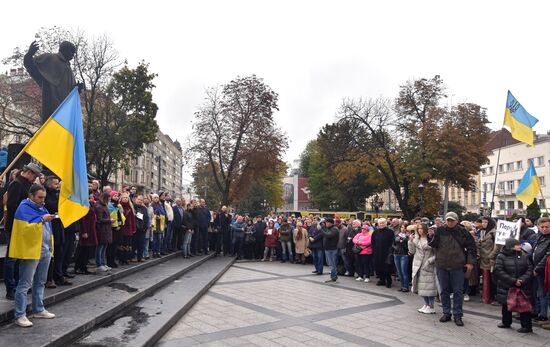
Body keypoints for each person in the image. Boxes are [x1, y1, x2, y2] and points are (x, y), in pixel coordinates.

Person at [10, 184, 56, 327]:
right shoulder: (23, 208)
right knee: (25, 284)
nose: (43, 200)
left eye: (44, 197)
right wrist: (42, 220)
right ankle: (20, 315)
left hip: (45, 249)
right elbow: (23, 230)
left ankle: (38, 309)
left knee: (40, 282)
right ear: (31, 195)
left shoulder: (43, 208)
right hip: (31, 251)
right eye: (39, 197)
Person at [428, 212, 477, 327]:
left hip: (458, 266)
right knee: (444, 291)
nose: (450, 222)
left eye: (452, 220)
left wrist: (470, 263)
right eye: (448, 220)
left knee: (458, 291)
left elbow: (472, 248)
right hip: (442, 265)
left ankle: (458, 315)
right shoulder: (439, 230)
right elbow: (433, 245)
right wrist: (431, 236)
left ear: (456, 221)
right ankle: (446, 313)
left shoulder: (463, 231)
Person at [4, 163, 41, 300]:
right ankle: (10, 287)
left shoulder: (26, 184)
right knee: (11, 258)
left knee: (19, 256)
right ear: (30, 173)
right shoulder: (17, 184)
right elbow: (12, 204)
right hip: (14, 225)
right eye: (35, 176)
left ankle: (18, 284)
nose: (34, 179)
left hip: (23, 225)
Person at [23, 40, 80, 123]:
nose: (73, 55)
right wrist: (29, 55)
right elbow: (31, 66)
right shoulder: (50, 58)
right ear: (64, 49)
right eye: (72, 51)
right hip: (52, 108)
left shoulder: (69, 69)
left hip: (66, 112)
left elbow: (69, 92)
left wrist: (77, 89)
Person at [495, 238, 533, 333]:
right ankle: (506, 322)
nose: (520, 246)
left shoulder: (523, 255)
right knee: (506, 304)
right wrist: (513, 281)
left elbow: (529, 269)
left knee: (524, 306)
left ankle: (526, 326)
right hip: (507, 285)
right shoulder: (501, 256)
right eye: (517, 245)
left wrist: (522, 279)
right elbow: (499, 270)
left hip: (522, 285)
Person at [44, 176, 70, 287]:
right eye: (55, 184)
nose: (57, 185)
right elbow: (52, 206)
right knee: (51, 255)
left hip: (59, 226)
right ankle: (49, 278)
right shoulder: (46, 195)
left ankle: (58, 276)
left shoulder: (56, 194)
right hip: (51, 227)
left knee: (60, 252)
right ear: (49, 184)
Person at [409, 223, 437, 314]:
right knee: (420, 286)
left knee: (429, 287)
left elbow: (437, 253)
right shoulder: (417, 239)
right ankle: (426, 304)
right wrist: (410, 241)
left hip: (428, 265)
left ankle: (431, 306)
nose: (420, 230)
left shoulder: (431, 238)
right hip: (418, 264)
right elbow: (412, 251)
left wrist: (429, 261)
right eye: (418, 229)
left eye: (421, 228)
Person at [75, 191, 97, 274]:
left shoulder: (90, 203)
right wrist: (84, 231)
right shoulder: (83, 204)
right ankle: (78, 267)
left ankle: (84, 267)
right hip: (85, 229)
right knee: (82, 250)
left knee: (87, 250)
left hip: (91, 229)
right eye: (90, 196)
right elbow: (82, 218)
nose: (92, 197)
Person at [533, 217, 550, 323]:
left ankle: (544, 315)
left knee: (545, 293)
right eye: (542, 227)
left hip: (545, 270)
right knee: (540, 292)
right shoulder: (539, 236)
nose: (544, 229)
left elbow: (547, 256)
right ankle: (541, 313)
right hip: (537, 269)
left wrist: (537, 268)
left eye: (547, 227)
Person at [478, 217, 497, 304]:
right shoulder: (482, 232)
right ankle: (487, 296)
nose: (483, 224)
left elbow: (497, 246)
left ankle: (493, 296)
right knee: (486, 278)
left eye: (486, 222)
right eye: (482, 222)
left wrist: (492, 256)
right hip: (483, 258)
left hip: (491, 258)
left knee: (493, 279)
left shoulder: (494, 232)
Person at [372, 218, 394, 288]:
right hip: (377, 252)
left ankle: (388, 281)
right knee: (379, 267)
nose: (381, 224)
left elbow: (392, 242)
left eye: (383, 223)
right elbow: (373, 242)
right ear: (378, 224)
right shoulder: (375, 232)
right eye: (380, 223)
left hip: (387, 252)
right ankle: (382, 280)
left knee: (387, 268)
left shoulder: (390, 231)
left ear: (386, 223)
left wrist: (390, 251)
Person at [95, 192, 112, 272]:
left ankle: (103, 263)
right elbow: (99, 219)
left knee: (104, 247)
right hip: (101, 230)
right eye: (108, 199)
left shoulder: (104, 206)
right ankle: (99, 264)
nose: (109, 201)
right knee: (100, 247)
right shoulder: (99, 207)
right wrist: (109, 220)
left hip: (106, 229)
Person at [393, 224, 411, 292]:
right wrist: (396, 248)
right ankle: (402, 285)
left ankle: (406, 287)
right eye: (402, 227)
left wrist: (403, 242)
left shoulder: (408, 236)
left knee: (404, 271)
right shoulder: (397, 235)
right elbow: (393, 244)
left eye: (404, 227)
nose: (402, 229)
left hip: (404, 255)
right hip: (396, 254)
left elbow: (408, 247)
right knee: (399, 271)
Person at [119, 192, 136, 265]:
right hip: (121, 228)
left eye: (126, 198)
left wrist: (133, 228)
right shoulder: (119, 206)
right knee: (121, 244)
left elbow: (132, 219)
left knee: (128, 244)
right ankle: (121, 259)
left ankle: (126, 258)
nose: (125, 199)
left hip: (128, 228)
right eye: (124, 198)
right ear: (121, 198)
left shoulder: (130, 207)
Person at [322, 218, 339, 283]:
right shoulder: (329, 228)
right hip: (328, 249)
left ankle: (333, 277)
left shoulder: (334, 229)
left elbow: (328, 235)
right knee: (330, 264)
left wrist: (321, 229)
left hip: (332, 249)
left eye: (327, 223)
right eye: (325, 223)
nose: (326, 224)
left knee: (332, 264)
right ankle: (334, 276)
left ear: (331, 223)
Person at [133, 195, 149, 262]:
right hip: (135, 228)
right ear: (136, 199)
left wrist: (145, 227)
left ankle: (140, 257)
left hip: (142, 229)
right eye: (138, 199)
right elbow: (135, 216)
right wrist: (138, 215)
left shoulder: (144, 208)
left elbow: (146, 218)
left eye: (141, 200)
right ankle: (133, 257)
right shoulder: (133, 207)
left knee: (141, 244)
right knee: (134, 243)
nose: (140, 201)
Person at [151, 194, 166, 258]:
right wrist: (155, 216)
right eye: (155, 198)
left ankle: (158, 252)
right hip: (154, 224)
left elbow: (163, 213)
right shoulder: (151, 205)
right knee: (154, 240)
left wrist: (161, 216)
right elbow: (152, 213)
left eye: (157, 197)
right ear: (153, 199)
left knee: (159, 239)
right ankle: (154, 252)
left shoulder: (160, 205)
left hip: (160, 224)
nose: (156, 199)